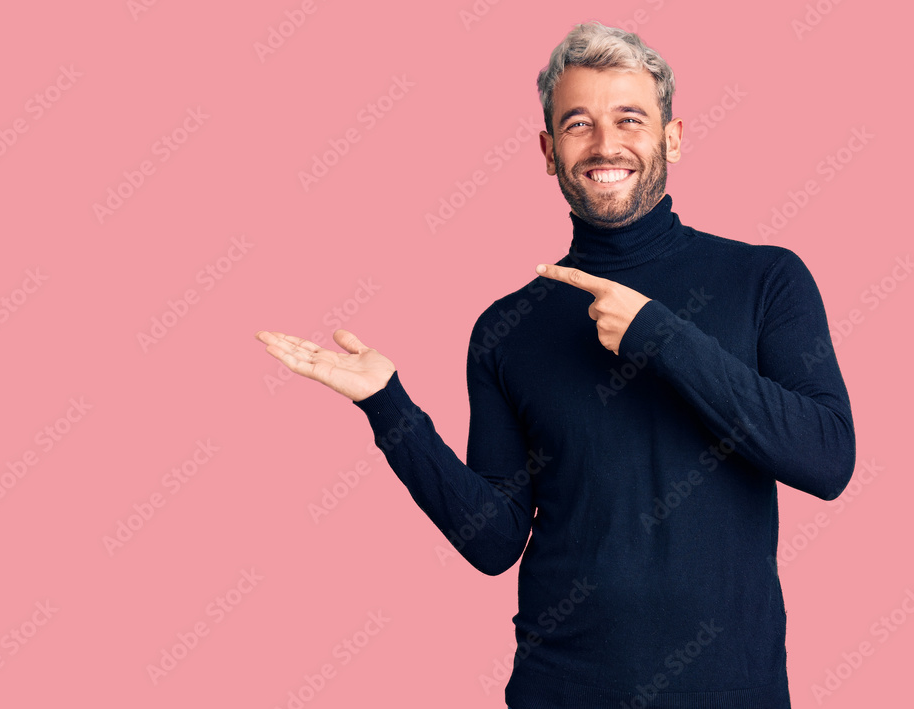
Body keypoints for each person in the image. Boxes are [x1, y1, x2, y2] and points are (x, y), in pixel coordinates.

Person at [255, 21, 855, 709]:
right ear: (547, 150)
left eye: (630, 118)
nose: (606, 144)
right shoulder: (507, 330)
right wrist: (388, 405)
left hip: (733, 692)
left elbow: (827, 457)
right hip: (562, 691)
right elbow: (494, 540)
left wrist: (661, 336)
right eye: (578, 124)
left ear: (674, 136)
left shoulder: (767, 280)